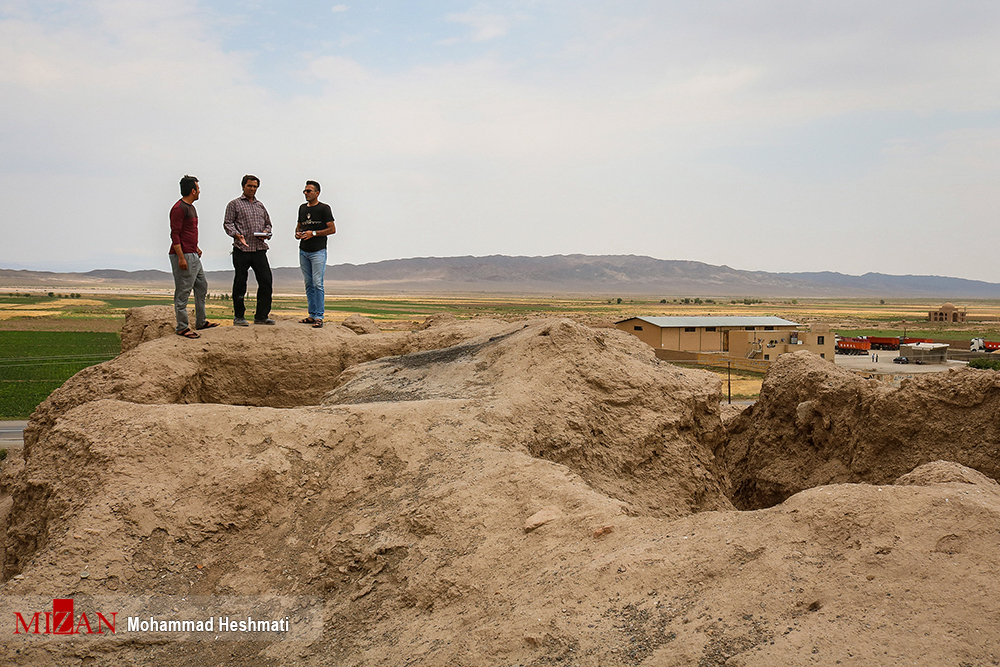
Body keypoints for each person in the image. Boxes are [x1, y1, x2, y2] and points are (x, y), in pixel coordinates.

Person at [169, 175, 216, 338]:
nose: (200, 191)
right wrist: (181, 257)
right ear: (193, 191)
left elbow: (187, 232)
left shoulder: (191, 208)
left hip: (193, 253)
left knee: (201, 286)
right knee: (183, 291)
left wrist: (195, 247)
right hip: (184, 255)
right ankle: (182, 327)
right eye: (198, 188)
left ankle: (201, 321)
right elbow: (175, 235)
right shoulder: (178, 208)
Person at [224, 175, 274, 325]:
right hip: (242, 249)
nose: (252, 189)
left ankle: (261, 316)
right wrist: (236, 235)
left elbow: (268, 224)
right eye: (250, 186)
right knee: (240, 282)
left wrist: (266, 233)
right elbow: (227, 223)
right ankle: (239, 316)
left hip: (259, 249)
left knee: (266, 281)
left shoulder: (260, 206)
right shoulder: (234, 204)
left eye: (255, 186)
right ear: (243, 186)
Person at [294, 180, 336, 328]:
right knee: (308, 283)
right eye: (304, 191)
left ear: (317, 193)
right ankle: (312, 314)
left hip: (318, 251)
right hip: (304, 250)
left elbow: (332, 229)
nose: (305, 193)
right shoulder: (302, 208)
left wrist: (314, 233)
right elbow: (299, 226)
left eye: (309, 191)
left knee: (317, 283)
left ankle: (319, 316)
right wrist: (298, 234)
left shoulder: (324, 208)